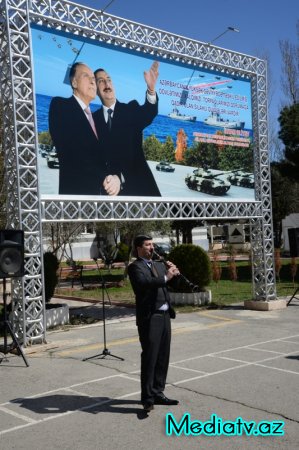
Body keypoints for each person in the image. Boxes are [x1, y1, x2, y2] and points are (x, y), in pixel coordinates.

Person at [49, 62, 120, 195]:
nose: (93, 82)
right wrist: (103, 176)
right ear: (74, 83)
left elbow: (109, 156)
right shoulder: (61, 105)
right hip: (76, 204)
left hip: (104, 206)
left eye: (94, 79)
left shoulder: (97, 120)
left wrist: (116, 178)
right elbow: (71, 149)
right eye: (86, 76)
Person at [128, 234, 180, 413]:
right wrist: (166, 277)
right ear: (139, 248)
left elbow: (170, 284)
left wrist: (175, 273)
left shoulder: (159, 264)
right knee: (150, 357)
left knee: (163, 357)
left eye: (152, 244)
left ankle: (158, 392)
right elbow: (144, 284)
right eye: (148, 245)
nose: (152, 247)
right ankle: (147, 398)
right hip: (150, 318)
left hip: (165, 315)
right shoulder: (135, 267)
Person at [93, 62, 161, 196]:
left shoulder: (131, 109)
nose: (107, 84)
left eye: (109, 79)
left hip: (142, 193)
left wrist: (151, 90)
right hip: (109, 198)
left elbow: (149, 112)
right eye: (101, 81)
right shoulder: (92, 120)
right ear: (95, 89)